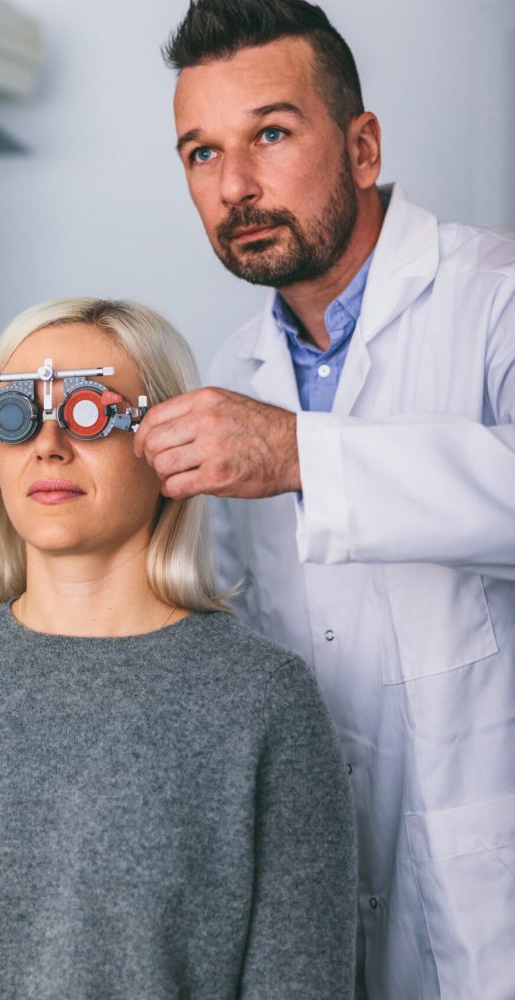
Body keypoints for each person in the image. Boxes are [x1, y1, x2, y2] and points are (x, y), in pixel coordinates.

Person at [134, 2, 515, 999]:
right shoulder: (234, 369)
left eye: (269, 133)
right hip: (326, 886)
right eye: (200, 153)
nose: (235, 187)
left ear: (360, 143)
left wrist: (301, 452)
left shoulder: (493, 294)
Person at [0, 298, 356, 1000]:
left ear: (167, 444)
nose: (48, 445)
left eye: (87, 410)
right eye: (17, 415)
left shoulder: (261, 701)